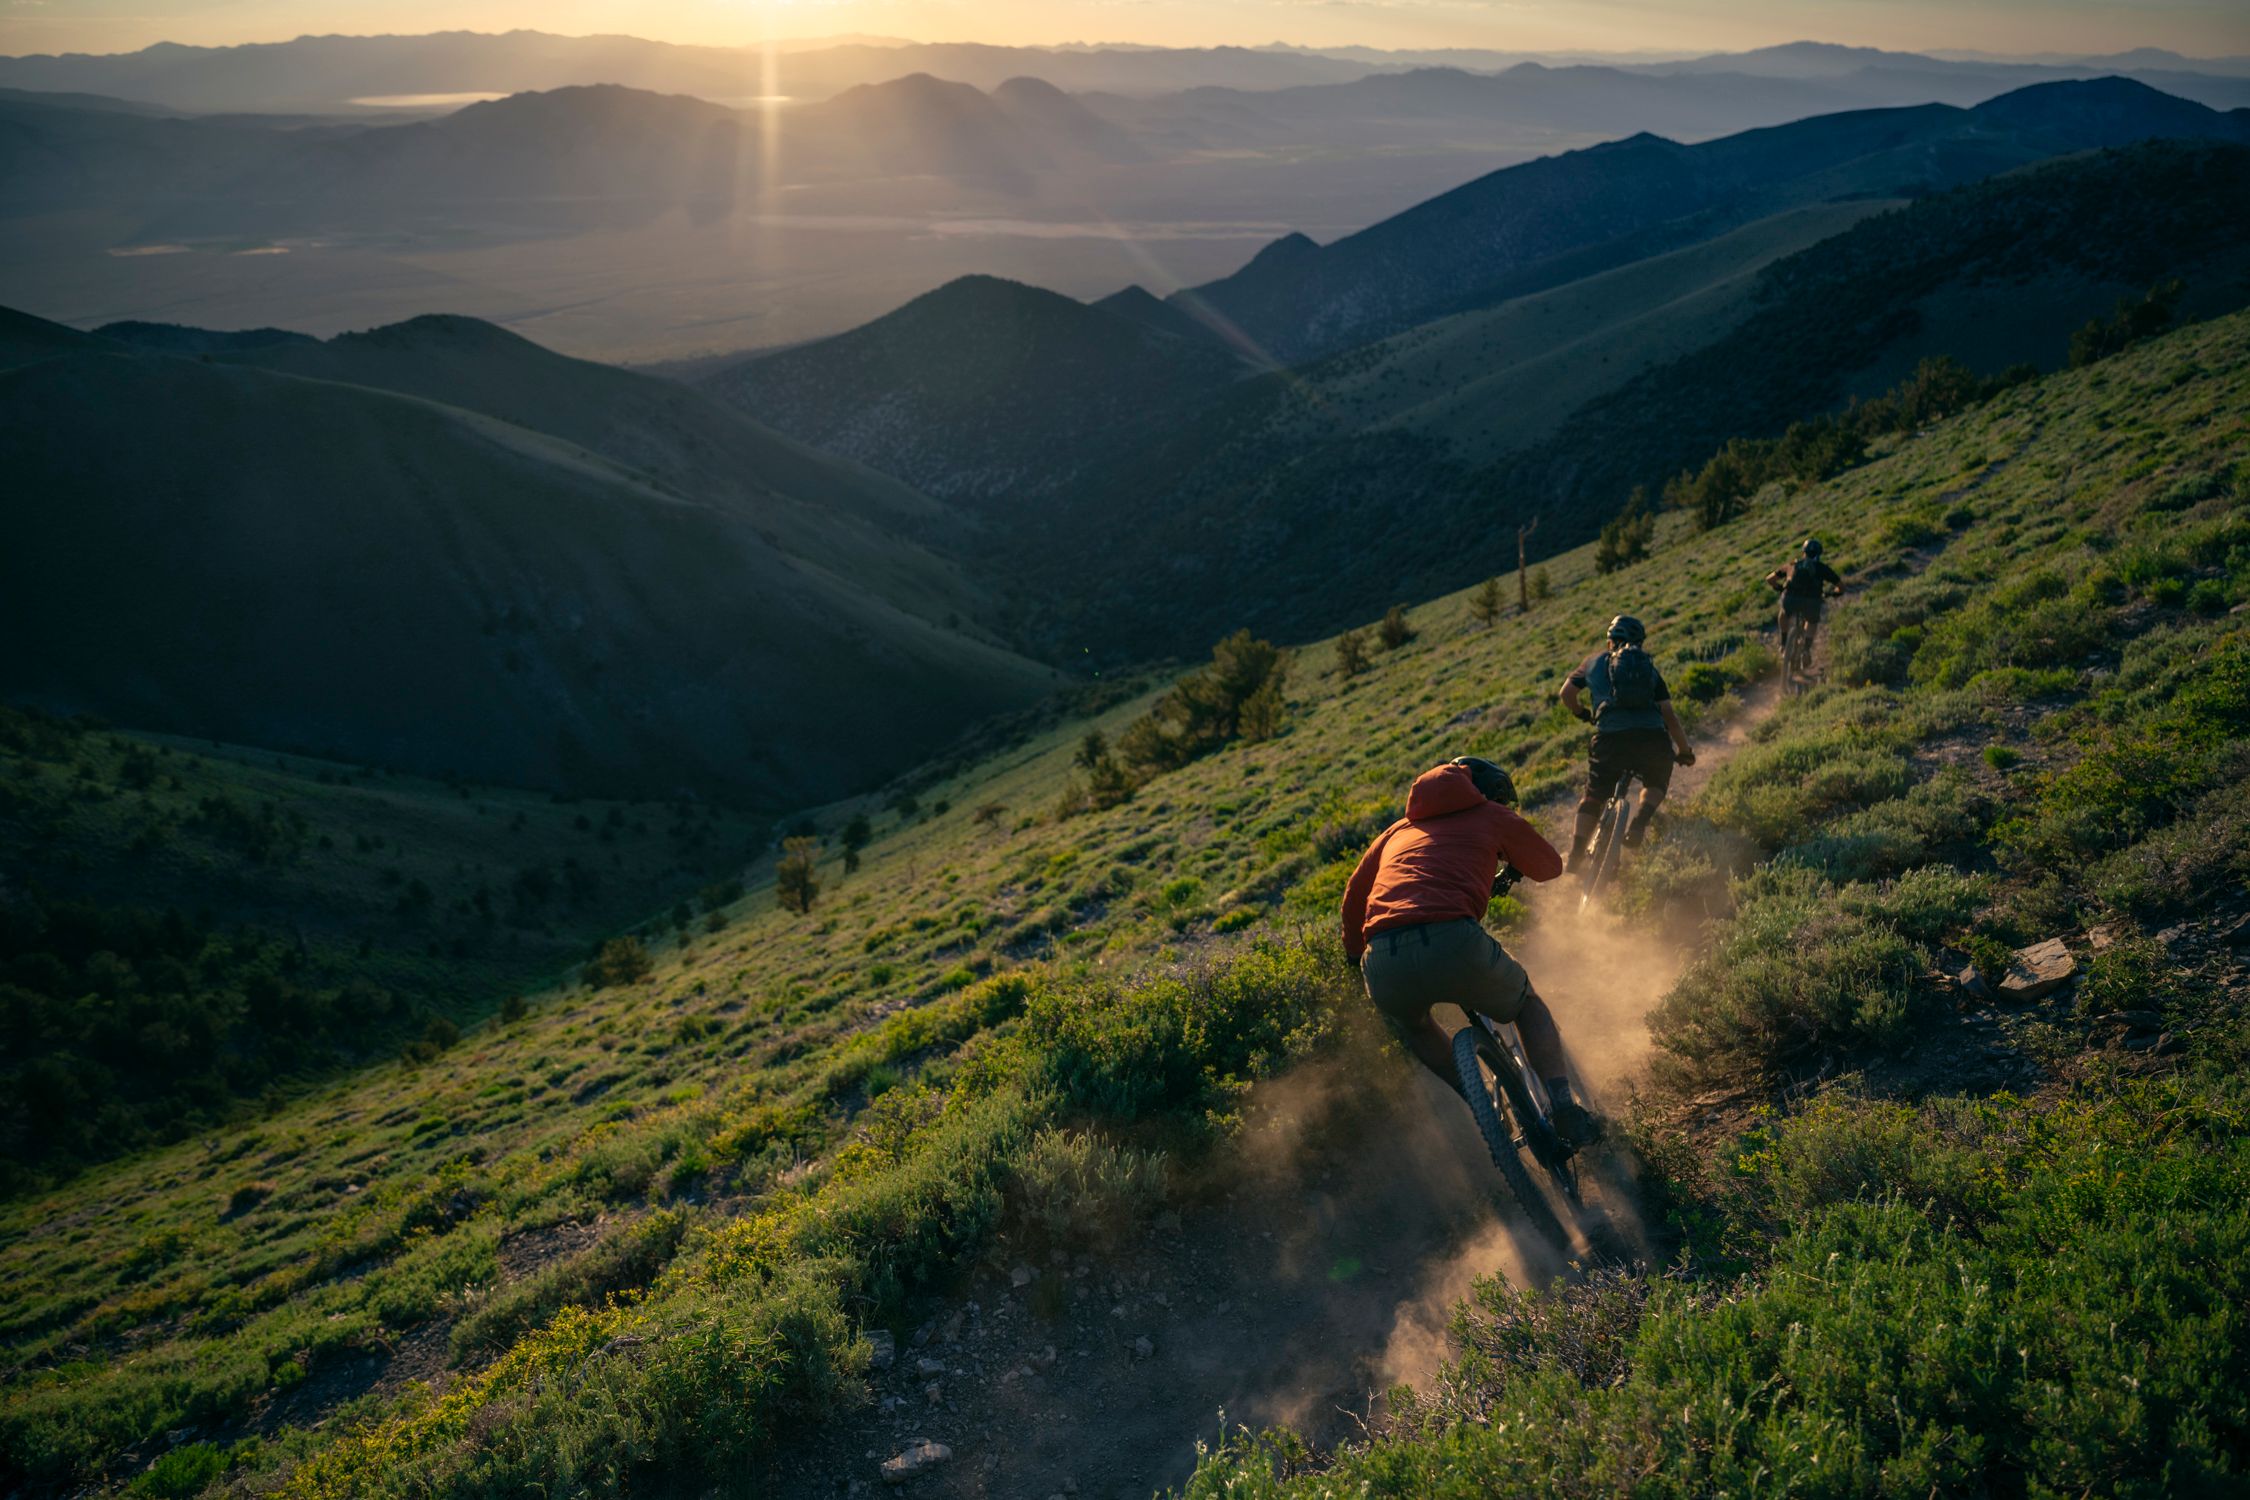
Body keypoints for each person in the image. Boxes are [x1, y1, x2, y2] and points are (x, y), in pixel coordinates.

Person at [1339, 756, 1600, 1146]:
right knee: (1527, 1003)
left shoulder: (1395, 833)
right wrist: (1508, 857)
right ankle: (1565, 1110)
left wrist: (1352, 955)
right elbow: (1550, 867)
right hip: (1451, 939)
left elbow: (1353, 899)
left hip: (1381, 957)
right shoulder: (1491, 815)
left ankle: (1484, 1108)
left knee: (1417, 1026)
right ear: (1485, 791)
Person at [1557, 615, 1695, 869]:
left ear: (1610, 641)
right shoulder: (1648, 669)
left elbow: (1567, 693)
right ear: (1639, 643)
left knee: (1595, 794)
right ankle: (1639, 823)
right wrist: (1684, 751)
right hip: (1651, 738)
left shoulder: (1592, 662)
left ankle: (1576, 854)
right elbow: (1669, 716)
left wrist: (1582, 713)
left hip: (1610, 740)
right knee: (1656, 779)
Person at [1765, 537, 1845, 667]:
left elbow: (1769, 579)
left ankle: (1784, 644)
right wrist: (1833, 593)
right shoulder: (1822, 568)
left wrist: (1779, 588)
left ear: (1803, 551)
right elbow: (1841, 586)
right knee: (1812, 622)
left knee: (1783, 614)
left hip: (1790, 600)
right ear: (1819, 554)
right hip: (1812, 602)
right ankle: (1806, 650)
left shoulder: (1792, 565)